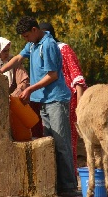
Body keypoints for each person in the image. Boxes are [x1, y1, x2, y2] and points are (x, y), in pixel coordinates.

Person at [0, 16, 79, 196]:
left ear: (35, 30)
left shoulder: (48, 45)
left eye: (27, 36)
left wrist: (30, 89)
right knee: (50, 144)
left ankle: (69, 186)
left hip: (56, 100)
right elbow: (18, 58)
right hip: (44, 101)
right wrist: (0, 70)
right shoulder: (33, 44)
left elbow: (52, 76)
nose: (25, 40)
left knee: (61, 144)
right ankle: (57, 184)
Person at [39, 22, 88, 176]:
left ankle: (69, 179)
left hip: (67, 101)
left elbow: (77, 78)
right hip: (48, 100)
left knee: (67, 142)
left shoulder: (63, 49)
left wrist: (79, 107)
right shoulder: (39, 50)